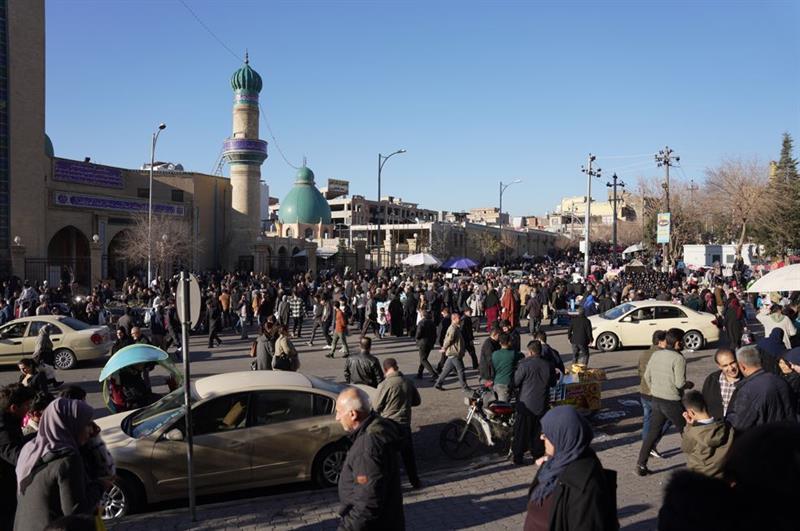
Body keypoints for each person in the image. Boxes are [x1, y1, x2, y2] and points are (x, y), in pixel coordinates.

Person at [14, 398, 107, 531]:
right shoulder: (67, 460)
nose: (91, 431)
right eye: (86, 424)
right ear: (71, 425)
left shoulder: (30, 450)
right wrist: (100, 486)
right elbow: (75, 513)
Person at [524, 406, 618, 531]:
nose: (542, 437)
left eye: (547, 434)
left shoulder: (585, 486)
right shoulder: (554, 464)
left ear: (563, 437)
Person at [335, 388, 404, 530]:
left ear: (352, 414)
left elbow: (368, 502)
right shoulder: (376, 430)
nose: (337, 417)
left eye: (339, 411)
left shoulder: (368, 446)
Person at [637, 328, 689, 476]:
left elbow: (647, 377)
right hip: (672, 400)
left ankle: (641, 464)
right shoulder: (679, 358)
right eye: (683, 340)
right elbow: (679, 383)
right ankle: (698, 462)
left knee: (652, 433)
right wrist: (688, 384)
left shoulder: (657, 354)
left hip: (656, 399)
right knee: (687, 431)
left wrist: (656, 389)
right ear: (678, 342)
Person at [374, 358, 422, 489]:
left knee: (390, 457)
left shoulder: (385, 385)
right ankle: (415, 481)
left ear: (385, 370)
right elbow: (417, 401)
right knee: (408, 456)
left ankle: (392, 485)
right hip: (405, 423)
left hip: (389, 425)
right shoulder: (407, 381)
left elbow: (376, 406)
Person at [725, 345, 795, 432]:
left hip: (766, 440)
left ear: (742, 366)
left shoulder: (748, 391)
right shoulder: (780, 380)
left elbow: (740, 424)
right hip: (788, 436)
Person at [512, 340, 557, 465]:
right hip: (542, 403)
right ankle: (537, 455)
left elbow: (515, 382)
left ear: (531, 352)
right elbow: (553, 383)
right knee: (538, 432)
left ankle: (518, 456)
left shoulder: (524, 365)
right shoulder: (548, 365)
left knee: (521, 432)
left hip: (526, 404)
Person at [0, 384, 36, 530]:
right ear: (14, 407)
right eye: (27, 405)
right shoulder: (3, 431)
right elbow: (19, 458)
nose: (29, 409)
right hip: (4, 497)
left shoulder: (9, 422)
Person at [680, 390, 733, 479]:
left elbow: (686, 448)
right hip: (721, 475)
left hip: (699, 475)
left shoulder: (693, 433)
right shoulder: (727, 428)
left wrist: (688, 426)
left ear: (691, 412)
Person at [638, 330, 669, 458]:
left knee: (647, 419)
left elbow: (639, 370)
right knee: (667, 418)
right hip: (656, 393)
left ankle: (646, 446)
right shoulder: (662, 355)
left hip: (644, 391)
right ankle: (651, 444)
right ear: (661, 341)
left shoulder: (644, 353)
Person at [701, 348, 742, 420]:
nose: (731, 368)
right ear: (719, 366)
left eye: (732, 363)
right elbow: (703, 405)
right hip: (717, 427)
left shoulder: (748, 380)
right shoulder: (711, 380)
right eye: (725, 365)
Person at [434, 312, 470, 391]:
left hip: (453, 353)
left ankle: (438, 383)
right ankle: (465, 387)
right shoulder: (453, 329)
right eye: (458, 318)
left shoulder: (455, 327)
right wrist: (444, 347)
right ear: (454, 319)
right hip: (454, 352)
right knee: (461, 370)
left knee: (446, 370)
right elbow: (448, 340)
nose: (459, 319)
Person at [491, 333, 523, 402]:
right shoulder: (513, 354)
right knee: (503, 407)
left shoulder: (494, 354)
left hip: (496, 382)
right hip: (506, 384)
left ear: (499, 343)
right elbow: (522, 356)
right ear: (509, 342)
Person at [414, 311, 438, 380]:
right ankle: (420, 373)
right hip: (430, 342)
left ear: (422, 315)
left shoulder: (421, 322)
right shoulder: (432, 322)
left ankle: (433, 373)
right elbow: (435, 334)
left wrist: (417, 338)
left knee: (423, 359)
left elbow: (419, 333)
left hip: (423, 342)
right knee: (424, 358)